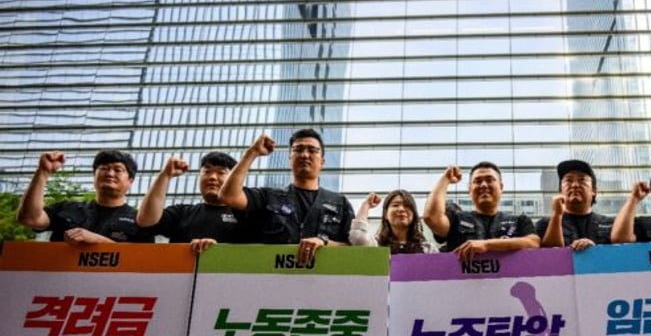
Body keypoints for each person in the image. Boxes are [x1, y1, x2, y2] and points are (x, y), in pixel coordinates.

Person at [218, 129, 354, 265]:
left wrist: (324, 242)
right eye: (298, 149)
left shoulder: (340, 203)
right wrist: (252, 153)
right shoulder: (268, 197)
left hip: (324, 280)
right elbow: (228, 196)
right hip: (273, 279)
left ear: (322, 162)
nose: (305, 155)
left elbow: (355, 247)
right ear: (290, 158)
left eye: (312, 150)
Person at [16, 149, 152, 244]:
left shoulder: (140, 220)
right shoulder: (66, 208)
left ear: (131, 181)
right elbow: (30, 218)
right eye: (104, 168)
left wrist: (98, 241)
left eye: (118, 170)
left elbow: (143, 259)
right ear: (94, 176)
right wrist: (43, 172)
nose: (110, 173)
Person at [422, 162, 540, 259]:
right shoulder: (456, 219)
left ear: (501, 187)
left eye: (490, 180)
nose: (483, 185)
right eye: (477, 181)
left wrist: (488, 245)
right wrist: (445, 179)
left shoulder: (520, 220)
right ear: (470, 189)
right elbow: (431, 218)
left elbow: (533, 243)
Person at [136, 151, 245, 252]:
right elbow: (146, 220)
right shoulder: (182, 213)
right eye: (207, 172)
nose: (212, 177)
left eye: (221, 173)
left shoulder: (246, 216)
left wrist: (215, 251)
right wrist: (165, 175)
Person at [536, 159, 614, 250]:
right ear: (560, 191)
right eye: (569, 180)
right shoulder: (545, 224)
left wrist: (594, 251)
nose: (575, 185)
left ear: (594, 190)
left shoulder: (610, 224)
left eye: (582, 180)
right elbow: (547, 256)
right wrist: (556, 215)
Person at [349, 190, 438, 254]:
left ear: (414, 215)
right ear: (385, 215)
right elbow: (358, 237)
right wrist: (366, 205)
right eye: (395, 205)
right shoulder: (376, 245)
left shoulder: (428, 249)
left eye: (407, 206)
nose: (401, 209)